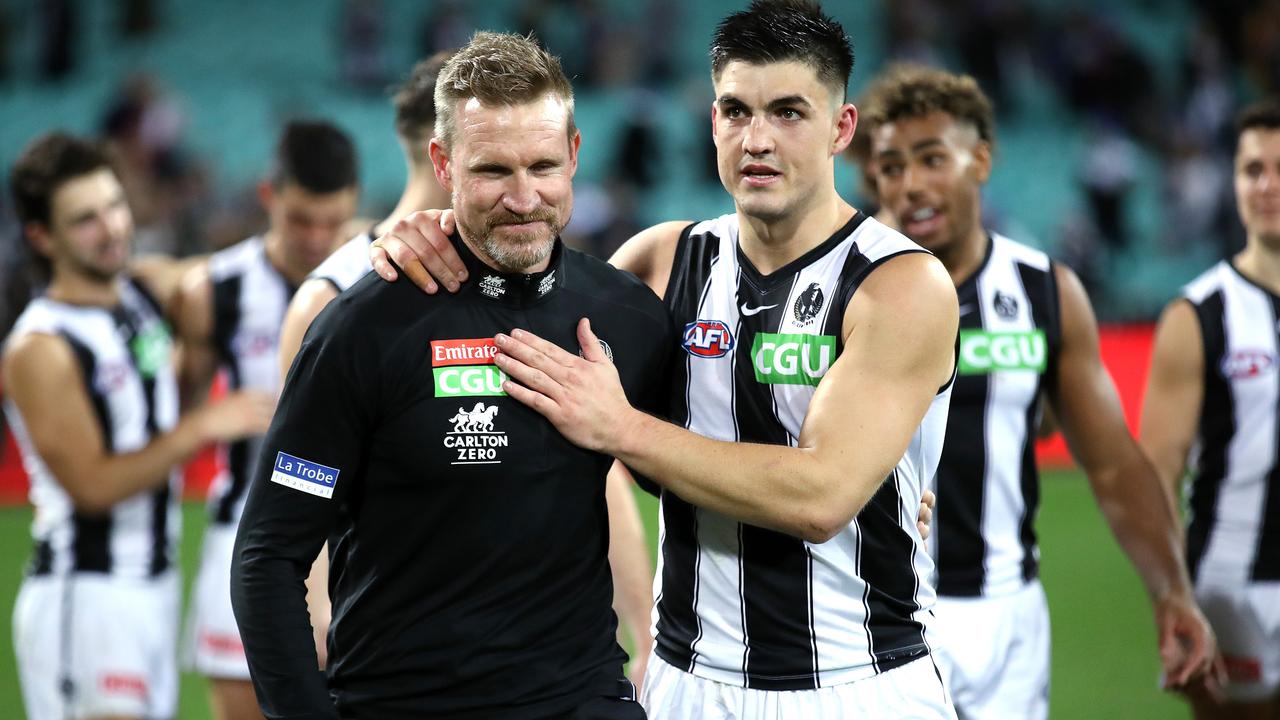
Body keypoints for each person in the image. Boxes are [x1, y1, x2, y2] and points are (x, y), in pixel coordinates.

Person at [373, 2, 958, 717]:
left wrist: (623, 429)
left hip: (856, 682)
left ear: (842, 128)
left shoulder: (899, 284)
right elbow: (520, 349)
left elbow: (821, 498)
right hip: (686, 683)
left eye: (789, 113)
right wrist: (434, 238)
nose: (757, 140)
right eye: (736, 111)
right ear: (712, 122)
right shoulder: (662, 261)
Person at [231, 32, 667, 719]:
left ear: (576, 155)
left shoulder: (625, 316)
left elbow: (710, 476)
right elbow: (267, 558)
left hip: (581, 700)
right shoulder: (364, 328)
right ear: (444, 163)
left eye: (544, 166)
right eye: (494, 170)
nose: (524, 198)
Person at [854, 63, 1219, 719]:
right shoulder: (846, 285)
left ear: (982, 161)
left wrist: (1171, 591)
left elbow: (1110, 463)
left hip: (1006, 616)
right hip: (871, 610)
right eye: (891, 166)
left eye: (933, 159)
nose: (911, 185)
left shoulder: (1044, 291)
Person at [3, 132, 272, 720]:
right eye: (85, 221)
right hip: (88, 594)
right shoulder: (40, 346)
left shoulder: (140, 291)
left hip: (152, 588)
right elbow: (93, 485)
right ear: (41, 237)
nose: (112, 228)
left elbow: (243, 270)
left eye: (114, 206)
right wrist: (200, 426)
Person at [175, 119, 359, 720]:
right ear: (267, 197)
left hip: (352, 538)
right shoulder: (215, 290)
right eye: (300, 219)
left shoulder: (375, 275)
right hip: (245, 533)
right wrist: (207, 420)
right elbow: (175, 413)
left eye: (332, 222)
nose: (316, 238)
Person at [1141, 99, 1280, 720]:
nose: (1268, 186)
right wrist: (1171, 598)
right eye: (1253, 170)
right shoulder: (1197, 314)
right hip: (1231, 590)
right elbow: (1157, 473)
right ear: (1234, 181)